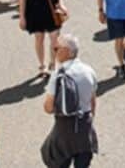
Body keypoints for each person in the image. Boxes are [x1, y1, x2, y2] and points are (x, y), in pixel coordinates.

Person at [41, 34, 98, 168]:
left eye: (56, 49)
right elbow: (93, 101)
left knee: (54, 159)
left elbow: (48, 108)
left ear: (66, 52)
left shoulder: (59, 75)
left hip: (64, 129)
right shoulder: (89, 71)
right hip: (84, 126)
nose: (54, 51)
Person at [19, 0, 66, 75]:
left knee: (54, 39)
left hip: (52, 13)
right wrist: (22, 17)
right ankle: (42, 65)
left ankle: (52, 63)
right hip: (35, 13)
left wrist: (61, 4)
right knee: (39, 39)